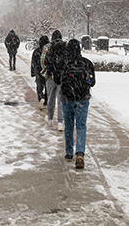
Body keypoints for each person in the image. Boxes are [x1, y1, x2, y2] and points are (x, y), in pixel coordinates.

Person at [56, 38, 96, 169]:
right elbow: (93, 82)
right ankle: (80, 153)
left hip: (67, 98)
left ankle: (68, 153)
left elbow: (57, 80)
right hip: (83, 98)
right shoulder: (87, 63)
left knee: (68, 125)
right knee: (81, 126)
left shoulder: (63, 63)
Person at [40, 29, 66, 130]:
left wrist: (47, 71)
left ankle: (50, 119)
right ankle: (60, 122)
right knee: (61, 99)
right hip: (62, 77)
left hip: (51, 76)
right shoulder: (65, 46)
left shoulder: (47, 47)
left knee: (50, 98)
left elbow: (42, 61)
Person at [31, 35, 49, 104]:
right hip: (47, 71)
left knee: (39, 86)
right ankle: (46, 99)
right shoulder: (49, 50)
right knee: (47, 87)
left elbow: (33, 62)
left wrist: (33, 73)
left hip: (38, 71)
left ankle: (40, 97)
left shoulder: (36, 51)